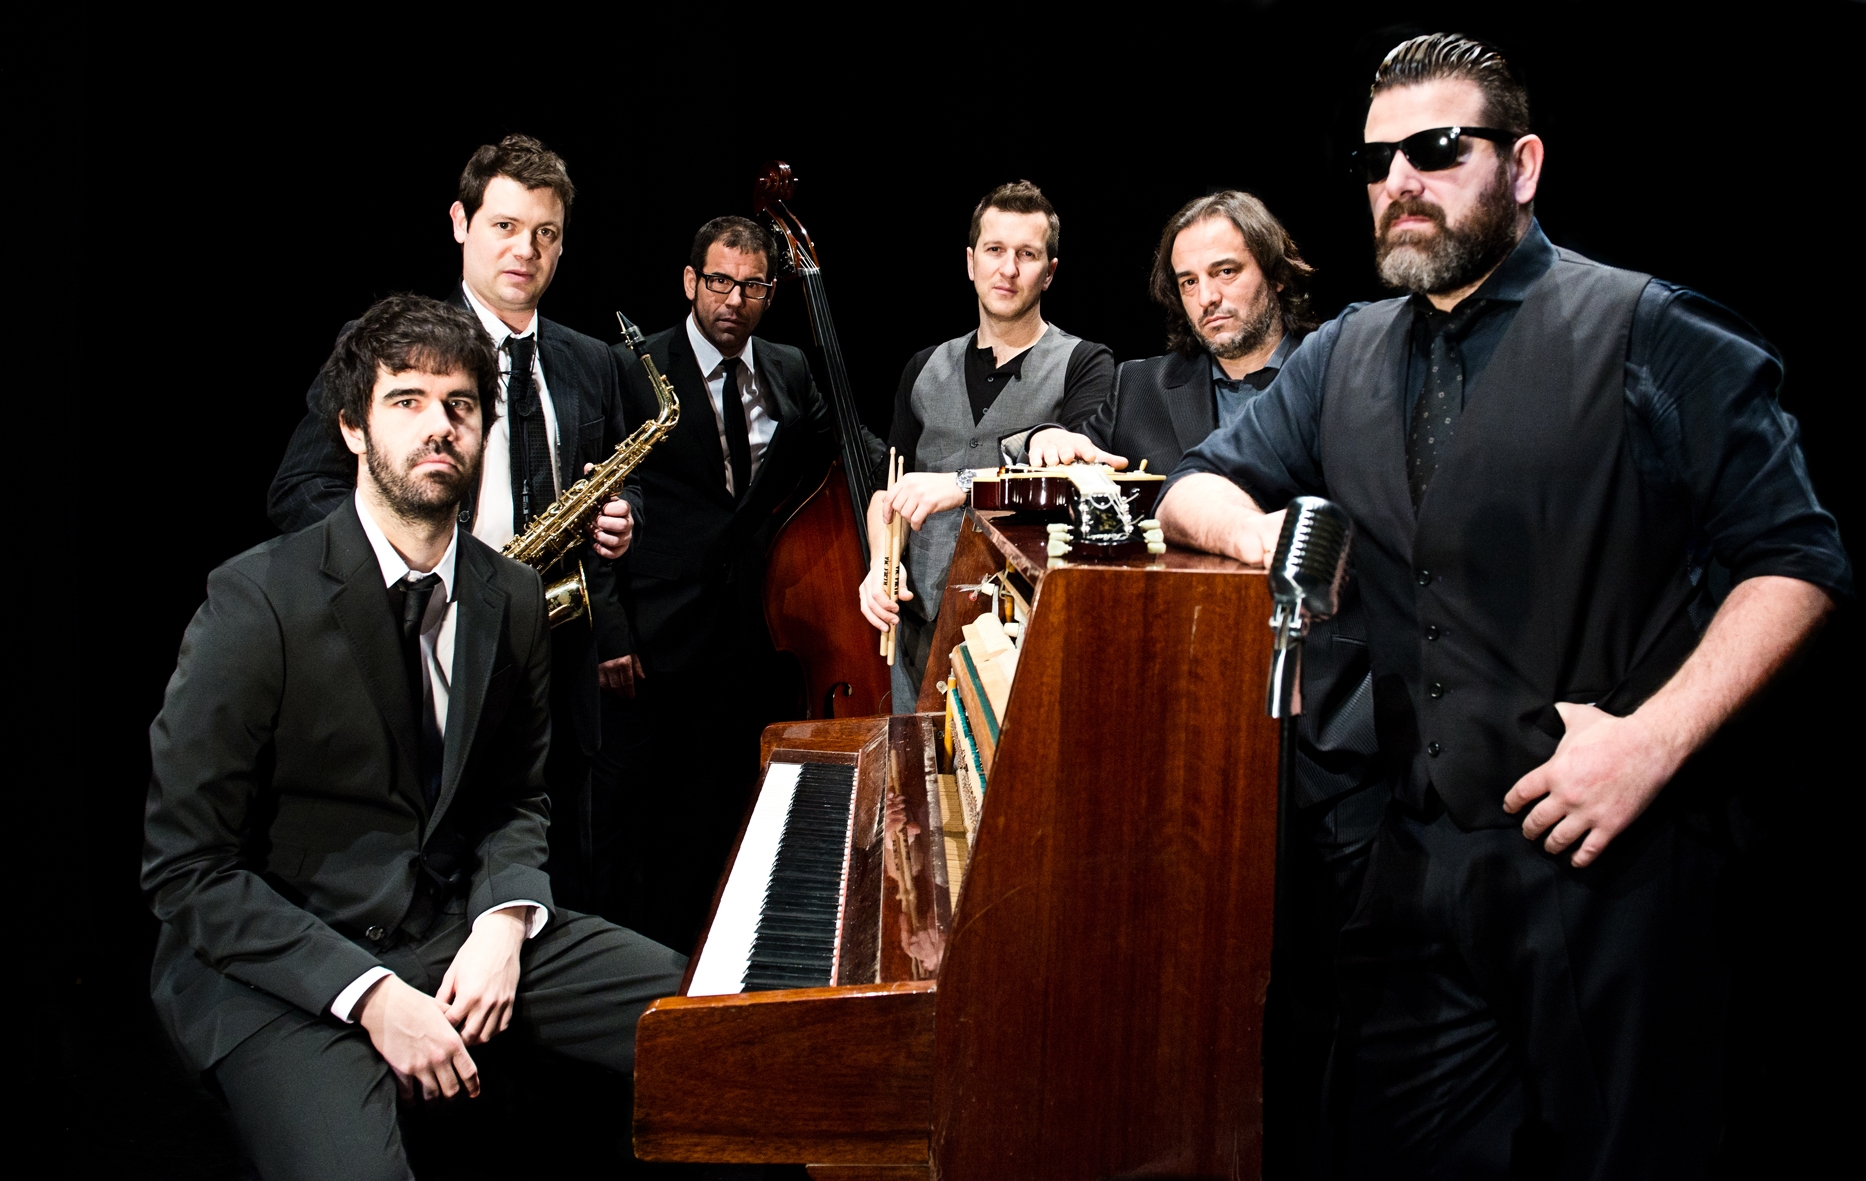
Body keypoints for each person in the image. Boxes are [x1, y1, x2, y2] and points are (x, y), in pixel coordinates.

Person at [1157, 33, 1851, 1178]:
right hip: (1416, 867)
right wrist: (1260, 534)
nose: (1401, 182)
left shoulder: (1652, 328)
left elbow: (1796, 559)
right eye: (1377, 161)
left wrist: (1650, 742)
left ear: (1521, 166)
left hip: (1616, 872)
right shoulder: (1343, 353)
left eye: (1437, 149)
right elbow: (1191, 485)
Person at [144, 295, 686, 1181]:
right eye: (407, 400)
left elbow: (516, 798)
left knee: (717, 1026)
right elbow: (187, 869)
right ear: (353, 429)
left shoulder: (512, 596)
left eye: (460, 404)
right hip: (281, 960)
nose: (440, 425)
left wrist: (504, 921)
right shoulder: (254, 601)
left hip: (450, 925)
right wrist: (371, 995)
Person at [1028, 190, 1380, 1179]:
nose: (1207, 296)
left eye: (1226, 271)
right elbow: (1065, 462)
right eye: (1188, 281)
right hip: (1182, 734)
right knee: (1197, 977)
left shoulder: (1343, 370)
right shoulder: (1140, 384)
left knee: (1328, 983)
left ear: (1275, 269)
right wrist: (1047, 446)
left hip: (1333, 728)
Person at [268, 135, 637, 909]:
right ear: (461, 223)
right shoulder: (393, 345)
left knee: (559, 884)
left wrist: (619, 516)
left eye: (545, 233)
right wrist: (417, 560)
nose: (525, 249)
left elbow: (613, 480)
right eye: (505, 226)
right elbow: (298, 488)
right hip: (430, 651)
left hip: (553, 666)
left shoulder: (590, 361)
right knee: (437, 882)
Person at [589, 216, 837, 952]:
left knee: (727, 818)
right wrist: (610, 632)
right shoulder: (631, 367)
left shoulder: (790, 366)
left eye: (753, 285)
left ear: (771, 292)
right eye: (720, 281)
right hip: (653, 638)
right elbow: (598, 501)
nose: (734, 300)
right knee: (644, 829)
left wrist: (911, 478)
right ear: (691, 281)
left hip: (752, 633)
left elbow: (838, 443)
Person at [857, 180, 1115, 707]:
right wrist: (880, 566)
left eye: (1027, 254)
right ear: (971, 263)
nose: (1009, 269)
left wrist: (961, 484)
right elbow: (888, 490)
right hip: (918, 629)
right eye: (995, 250)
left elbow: (1082, 483)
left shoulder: (1086, 364)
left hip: (1021, 631)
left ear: (1050, 272)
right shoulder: (923, 367)